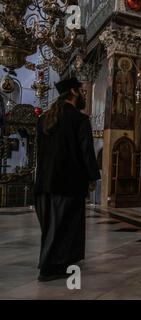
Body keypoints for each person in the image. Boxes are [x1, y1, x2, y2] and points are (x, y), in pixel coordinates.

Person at [34, 77, 100, 282]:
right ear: (73, 92)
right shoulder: (80, 119)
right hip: (68, 183)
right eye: (82, 91)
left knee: (51, 227)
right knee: (62, 226)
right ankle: (49, 268)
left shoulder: (44, 118)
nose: (84, 95)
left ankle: (58, 261)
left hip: (44, 183)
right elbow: (86, 152)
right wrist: (92, 177)